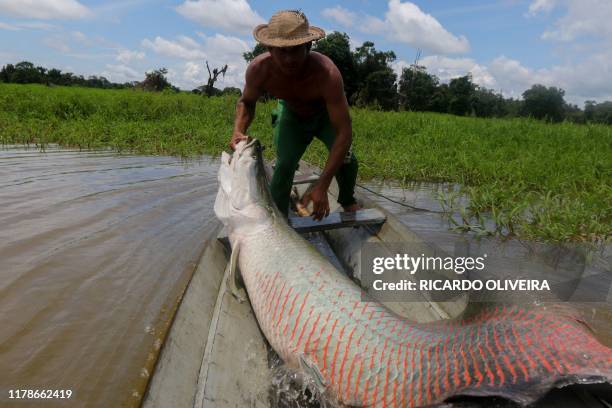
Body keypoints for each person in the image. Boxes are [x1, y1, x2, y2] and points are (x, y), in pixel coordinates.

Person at [229, 9, 360, 220]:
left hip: (323, 116)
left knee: (348, 161)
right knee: (284, 166)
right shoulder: (259, 70)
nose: (289, 59)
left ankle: (347, 201)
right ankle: (278, 218)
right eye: (282, 51)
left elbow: (344, 133)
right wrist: (238, 130)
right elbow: (246, 102)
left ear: (308, 46)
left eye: (296, 49)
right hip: (291, 115)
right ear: (269, 48)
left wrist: (322, 185)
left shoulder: (327, 74)